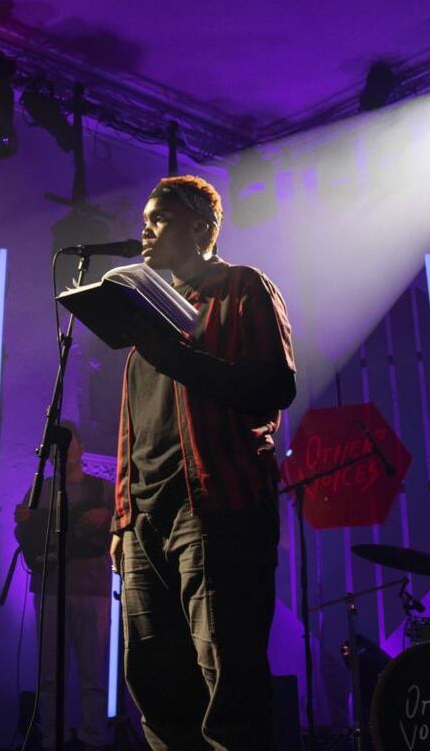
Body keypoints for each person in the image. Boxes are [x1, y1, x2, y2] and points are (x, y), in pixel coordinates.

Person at [110, 175, 296, 751]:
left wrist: (178, 355)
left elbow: (274, 387)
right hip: (146, 522)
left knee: (228, 680)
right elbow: (131, 430)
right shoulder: (147, 317)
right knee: (155, 681)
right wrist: (122, 518)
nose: (145, 229)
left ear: (201, 227)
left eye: (159, 218)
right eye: (145, 218)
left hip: (218, 509)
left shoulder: (243, 288)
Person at [14, 421, 114, 751]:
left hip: (93, 590)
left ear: (81, 447)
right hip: (51, 589)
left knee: (94, 675)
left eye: (71, 443)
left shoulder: (102, 490)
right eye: (60, 444)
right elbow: (26, 537)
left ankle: (94, 739)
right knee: (49, 675)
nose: (66, 449)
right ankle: (50, 740)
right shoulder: (39, 490)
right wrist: (24, 521)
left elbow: (130, 521)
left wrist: (109, 516)